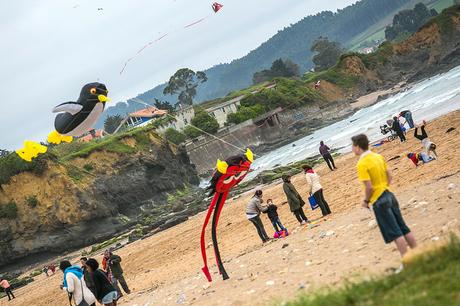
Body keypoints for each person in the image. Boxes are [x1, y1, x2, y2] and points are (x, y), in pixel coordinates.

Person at [351, 134, 417, 272]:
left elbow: (369, 187)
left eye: (353, 146)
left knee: (395, 232)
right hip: (389, 194)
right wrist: (384, 187)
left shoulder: (362, 163)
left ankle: (408, 263)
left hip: (379, 200)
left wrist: (366, 201)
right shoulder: (378, 156)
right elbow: (389, 175)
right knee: (403, 227)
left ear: (357, 146)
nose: (352, 149)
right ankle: (419, 255)